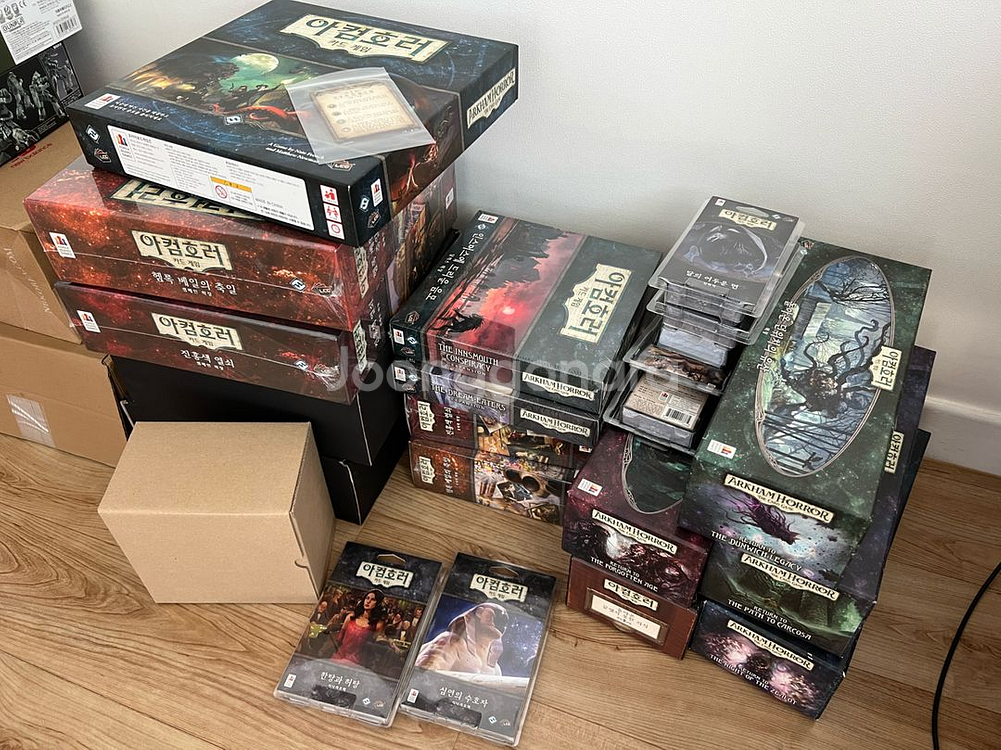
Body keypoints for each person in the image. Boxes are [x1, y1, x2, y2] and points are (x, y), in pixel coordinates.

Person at [331, 589, 386, 666]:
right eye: (367, 598)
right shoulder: (351, 617)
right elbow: (340, 638)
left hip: (357, 662)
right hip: (339, 657)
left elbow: (371, 647)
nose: (368, 601)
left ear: (378, 603)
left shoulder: (377, 625)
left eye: (373, 599)